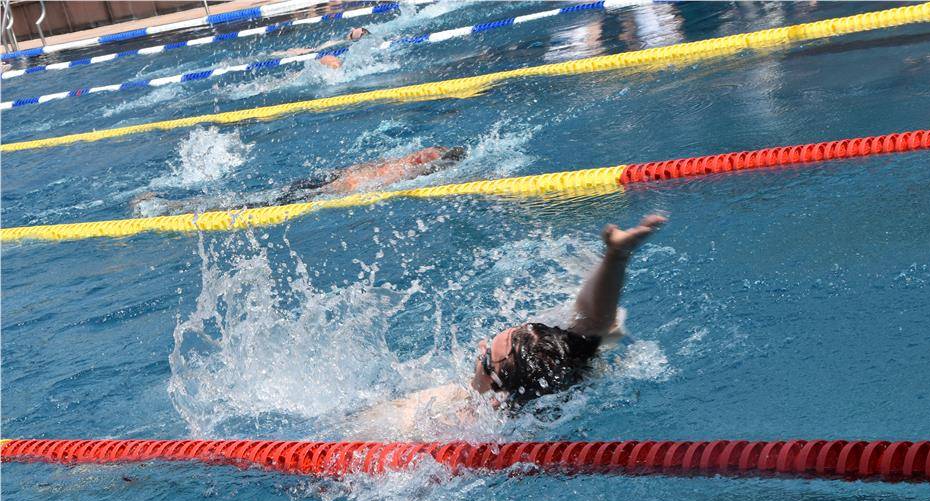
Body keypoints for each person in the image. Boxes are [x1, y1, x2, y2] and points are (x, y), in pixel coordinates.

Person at [356, 214, 667, 439]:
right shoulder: (568, 374)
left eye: (485, 357)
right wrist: (616, 256)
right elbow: (594, 322)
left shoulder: (454, 429)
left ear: (498, 395)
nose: (480, 346)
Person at [131, 146, 467, 217]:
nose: (421, 153)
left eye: (429, 154)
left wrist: (333, 185)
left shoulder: (402, 173)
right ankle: (168, 206)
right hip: (317, 184)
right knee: (251, 197)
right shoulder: (395, 163)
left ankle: (166, 208)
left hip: (316, 193)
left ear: (429, 162)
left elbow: (355, 185)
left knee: (246, 203)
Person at [271, 26, 370, 69]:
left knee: (288, 52)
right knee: (290, 52)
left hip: (320, 52)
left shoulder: (342, 43)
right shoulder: (341, 41)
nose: (351, 29)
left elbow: (359, 32)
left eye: (352, 32)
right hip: (318, 51)